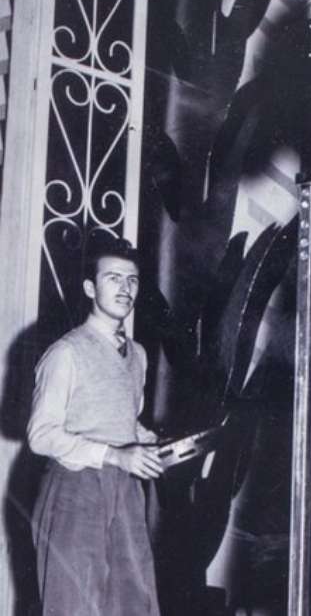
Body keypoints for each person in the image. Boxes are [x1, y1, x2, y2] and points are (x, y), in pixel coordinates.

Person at [28, 239, 162, 616]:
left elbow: (122, 419)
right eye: (113, 278)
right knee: (73, 604)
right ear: (90, 288)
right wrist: (114, 455)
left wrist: (150, 442)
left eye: (132, 280)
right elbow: (41, 435)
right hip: (75, 489)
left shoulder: (137, 355)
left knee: (135, 601)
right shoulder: (65, 353)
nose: (125, 289)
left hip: (125, 491)